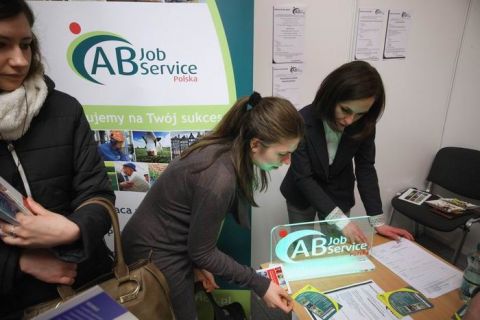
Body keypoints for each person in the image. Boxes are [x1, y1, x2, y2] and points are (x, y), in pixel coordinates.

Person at [122, 92, 304, 319]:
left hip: (166, 246)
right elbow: (202, 251)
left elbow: (197, 242)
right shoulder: (218, 177)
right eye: (283, 153)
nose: (287, 161)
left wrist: (198, 261)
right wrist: (261, 285)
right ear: (255, 144)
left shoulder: (228, 149)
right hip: (153, 254)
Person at [0, 1, 115, 318]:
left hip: (86, 289)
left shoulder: (64, 110)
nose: (20, 60)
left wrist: (72, 231)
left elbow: (98, 194)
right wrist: (20, 264)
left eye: (25, 44)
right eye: (2, 45)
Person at [281, 61, 413, 243]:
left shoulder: (364, 124)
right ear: (331, 96)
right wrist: (341, 221)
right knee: (301, 250)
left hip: (338, 192)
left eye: (360, 114)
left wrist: (377, 221)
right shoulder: (302, 120)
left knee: (339, 253)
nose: (350, 120)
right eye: (345, 110)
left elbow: (365, 168)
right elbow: (303, 177)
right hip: (301, 193)